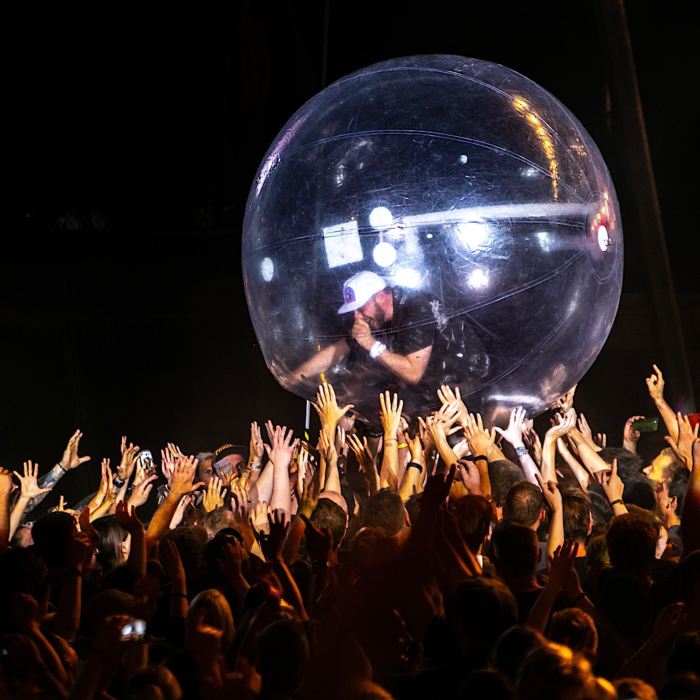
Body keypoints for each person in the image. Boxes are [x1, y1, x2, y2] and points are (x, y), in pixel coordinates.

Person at [285, 271, 437, 391]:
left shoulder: (416, 308)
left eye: (361, 309)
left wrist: (371, 345)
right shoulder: (376, 317)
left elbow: (414, 373)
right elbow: (337, 351)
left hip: (450, 387)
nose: (357, 316)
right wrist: (292, 379)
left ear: (380, 297)